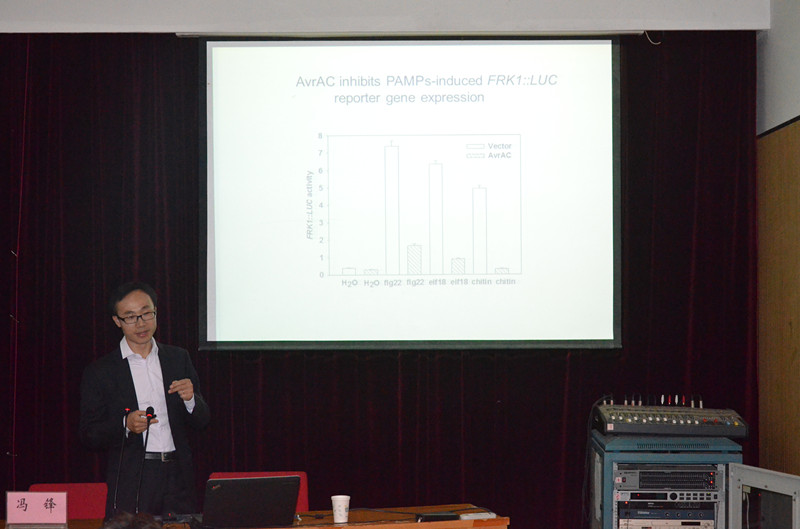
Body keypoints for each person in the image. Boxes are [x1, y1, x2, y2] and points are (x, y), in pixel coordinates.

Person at [80, 281, 211, 519]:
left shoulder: (178, 358)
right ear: (117, 321)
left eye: (146, 313)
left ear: (156, 312)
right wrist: (125, 424)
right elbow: (89, 434)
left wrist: (191, 400)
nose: (141, 323)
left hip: (178, 474)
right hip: (134, 477)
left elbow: (202, 421)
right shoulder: (101, 371)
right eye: (131, 317)